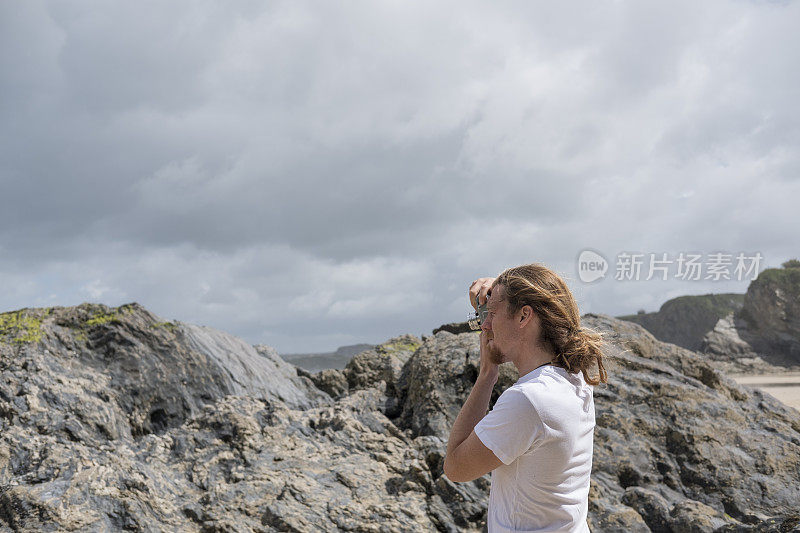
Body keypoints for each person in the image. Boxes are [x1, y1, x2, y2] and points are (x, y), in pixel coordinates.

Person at [442, 263, 608, 532]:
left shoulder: (528, 400)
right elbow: (542, 294)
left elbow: (455, 467)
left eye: (491, 314)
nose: (484, 325)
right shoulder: (573, 377)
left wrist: (487, 375)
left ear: (523, 317)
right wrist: (500, 292)